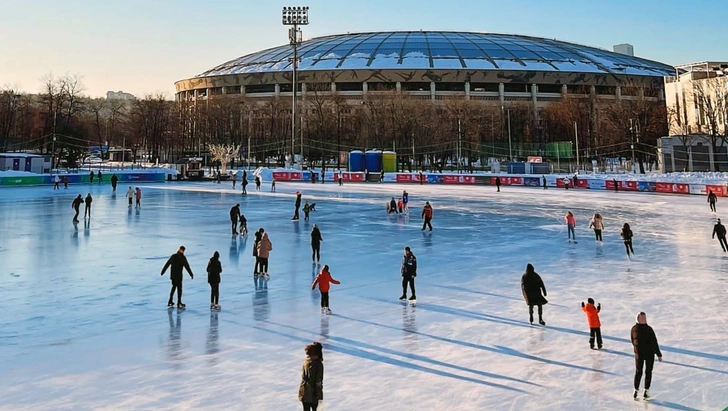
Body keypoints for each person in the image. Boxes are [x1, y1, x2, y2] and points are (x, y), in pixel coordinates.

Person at [631, 312, 663, 400]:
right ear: (637, 319)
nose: (644, 319)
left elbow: (654, 342)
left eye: (645, 318)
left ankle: (646, 390)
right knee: (639, 371)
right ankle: (636, 390)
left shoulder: (648, 329)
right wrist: (637, 350)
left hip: (649, 354)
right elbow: (633, 341)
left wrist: (658, 354)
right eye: (642, 318)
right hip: (639, 354)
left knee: (648, 372)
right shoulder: (635, 329)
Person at [298, 342, 324, 411]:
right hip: (313, 394)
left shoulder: (306, 361)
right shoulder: (318, 364)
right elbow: (318, 381)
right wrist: (320, 397)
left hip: (304, 391)